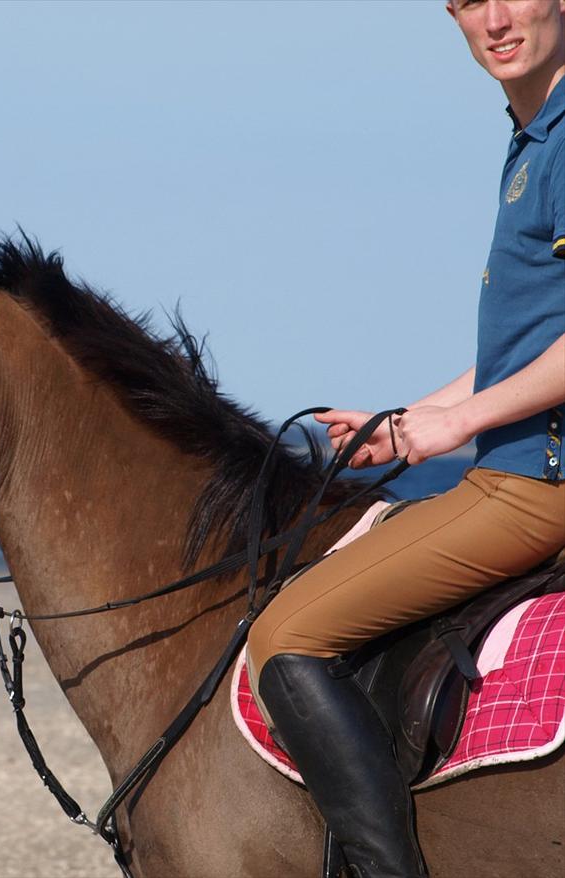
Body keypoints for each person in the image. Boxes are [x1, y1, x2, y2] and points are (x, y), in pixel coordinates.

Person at [245, 2, 565, 876]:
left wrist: (459, 424)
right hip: (509, 467)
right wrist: (410, 423)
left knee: (286, 635)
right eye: (467, 0)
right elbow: (531, 348)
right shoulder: (533, 135)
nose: (494, 19)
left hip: (539, 483)